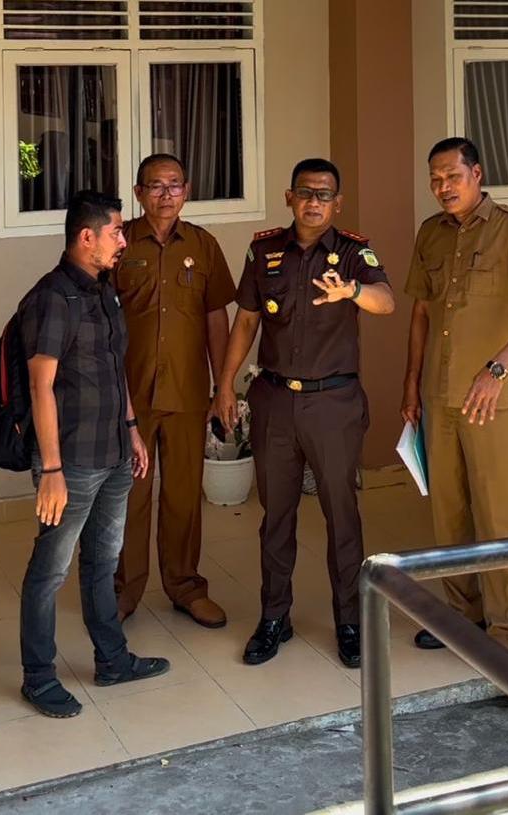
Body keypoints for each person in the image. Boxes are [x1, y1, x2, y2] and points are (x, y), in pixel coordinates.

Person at [215, 158, 395, 667]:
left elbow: (386, 301)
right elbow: (246, 322)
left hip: (333, 404)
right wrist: (224, 384)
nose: (314, 202)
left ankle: (350, 620)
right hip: (274, 400)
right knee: (276, 516)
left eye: (324, 194)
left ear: (338, 203)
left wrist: (352, 290)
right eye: (305, 192)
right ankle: (275, 616)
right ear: (289, 197)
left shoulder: (354, 252)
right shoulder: (264, 251)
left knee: (342, 516)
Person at [402, 137, 508, 660]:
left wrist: (498, 369)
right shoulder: (430, 233)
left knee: (499, 513)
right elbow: (421, 313)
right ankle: (461, 616)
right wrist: (410, 384)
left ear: (477, 174)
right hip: (438, 394)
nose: (443, 187)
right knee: (448, 511)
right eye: (435, 179)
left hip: (489, 398)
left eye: (452, 176)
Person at [18, 190, 170, 719]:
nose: (124, 241)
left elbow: (113, 367)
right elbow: (41, 387)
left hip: (113, 453)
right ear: (87, 237)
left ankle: (112, 660)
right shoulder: (53, 298)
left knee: (103, 561)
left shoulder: (105, 290)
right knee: (50, 570)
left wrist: (132, 430)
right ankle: (38, 677)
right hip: (72, 462)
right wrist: (52, 469)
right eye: (117, 232)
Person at [113, 154, 236, 628]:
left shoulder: (203, 246)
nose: (166, 195)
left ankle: (185, 586)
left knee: (184, 496)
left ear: (187, 190)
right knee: (130, 496)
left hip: (187, 393)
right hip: (131, 395)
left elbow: (215, 317)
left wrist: (223, 385)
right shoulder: (119, 241)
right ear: (139, 193)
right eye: (155, 186)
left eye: (175, 185)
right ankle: (123, 589)